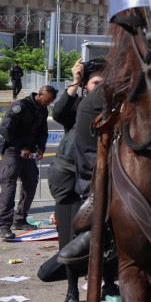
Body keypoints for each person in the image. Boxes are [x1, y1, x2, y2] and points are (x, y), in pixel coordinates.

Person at [48, 60, 106, 302]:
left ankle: (108, 285)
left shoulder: (118, 108)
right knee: (69, 238)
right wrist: (74, 80)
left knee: (105, 236)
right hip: (70, 180)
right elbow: (59, 112)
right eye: (96, 83)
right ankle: (72, 291)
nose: (102, 87)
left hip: (101, 181)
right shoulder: (81, 108)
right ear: (85, 86)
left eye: (106, 83)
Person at [0, 85, 56, 239]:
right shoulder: (21, 106)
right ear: (40, 94)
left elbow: (42, 131)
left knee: (31, 185)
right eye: (47, 100)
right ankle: (4, 225)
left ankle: (20, 219)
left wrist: (40, 148)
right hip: (13, 151)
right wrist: (21, 147)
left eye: (50, 102)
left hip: (29, 153)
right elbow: (5, 129)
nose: (48, 104)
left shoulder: (42, 110)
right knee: (9, 187)